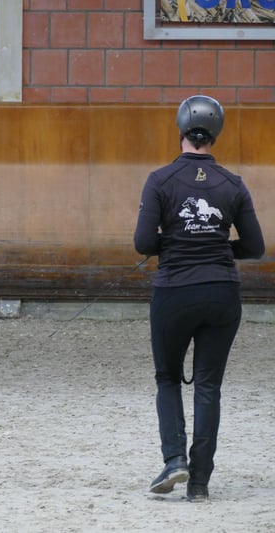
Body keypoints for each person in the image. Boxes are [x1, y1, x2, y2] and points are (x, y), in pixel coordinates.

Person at [133, 95, 265, 503]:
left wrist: (175, 245)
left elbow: (143, 243)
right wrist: (219, 249)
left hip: (174, 291)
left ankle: (174, 459)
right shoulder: (233, 183)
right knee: (209, 385)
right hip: (222, 293)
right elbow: (255, 247)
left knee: (167, 378)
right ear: (216, 134)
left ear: (180, 129)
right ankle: (201, 482)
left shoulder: (160, 180)